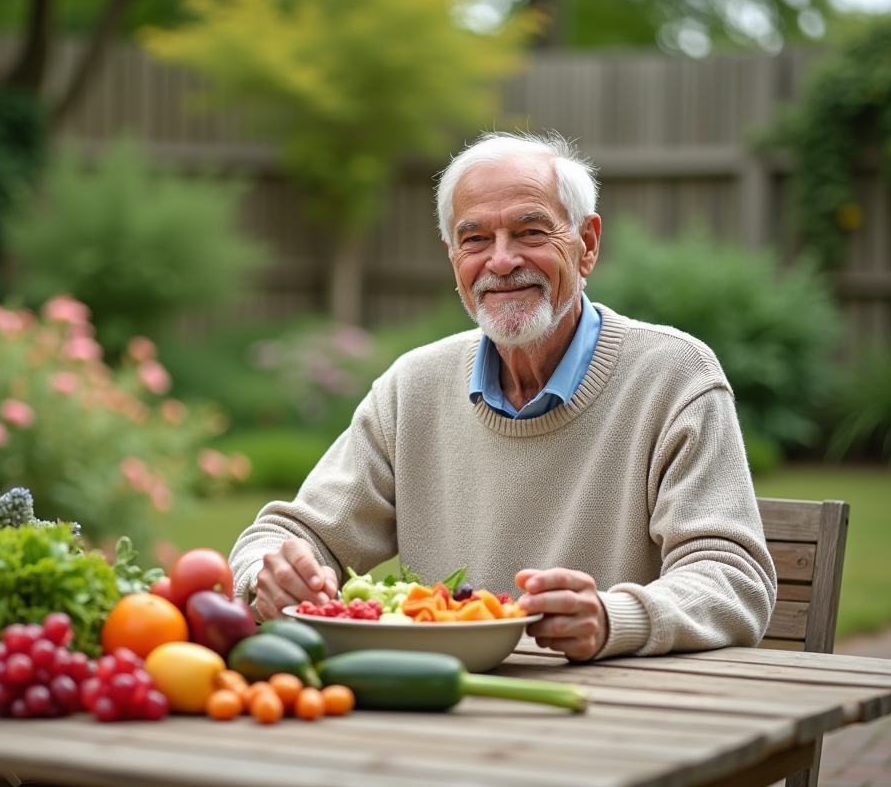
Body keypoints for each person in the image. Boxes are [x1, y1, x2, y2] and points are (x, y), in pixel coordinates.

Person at [229, 130, 776, 661]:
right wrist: (270, 574)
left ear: (586, 244)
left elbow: (733, 579)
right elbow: (285, 533)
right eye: (475, 240)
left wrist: (614, 619)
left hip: (615, 717)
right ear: (452, 258)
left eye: (531, 232)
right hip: (439, 706)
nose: (501, 260)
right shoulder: (412, 386)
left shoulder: (675, 376)